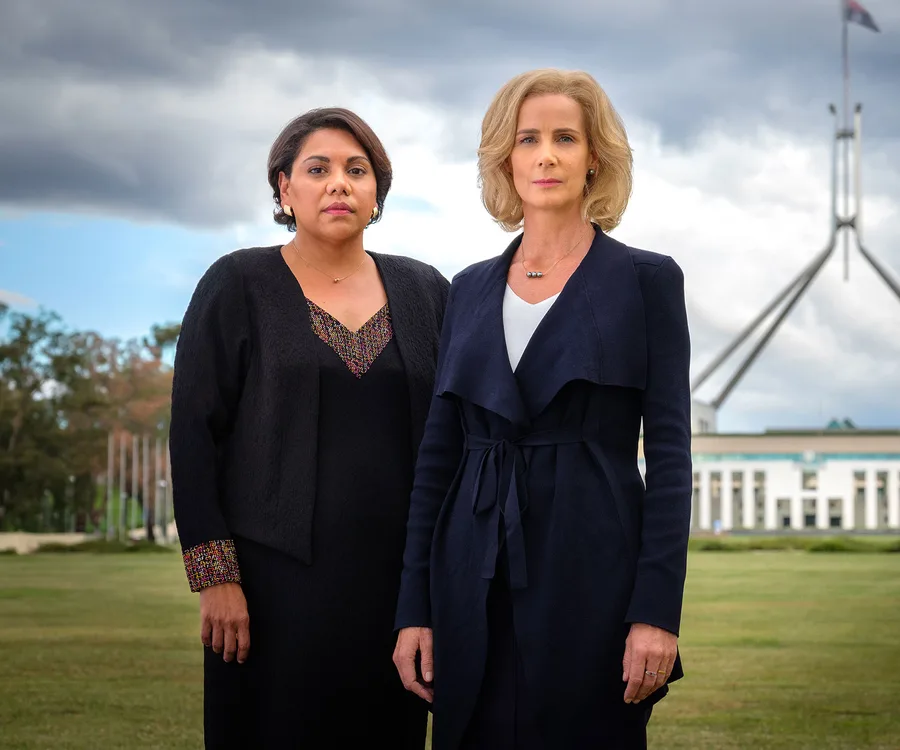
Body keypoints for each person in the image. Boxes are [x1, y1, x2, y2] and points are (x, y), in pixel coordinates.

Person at [393, 69, 692, 749]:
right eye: (528, 139)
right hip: (468, 574)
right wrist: (415, 608)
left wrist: (656, 613)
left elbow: (672, 458)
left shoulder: (648, 281)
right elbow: (436, 457)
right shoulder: (467, 288)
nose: (546, 155)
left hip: (594, 571)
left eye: (565, 137)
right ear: (505, 157)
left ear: (596, 157)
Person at [169, 107, 448, 749]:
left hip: (396, 592)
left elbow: (454, 436)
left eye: (358, 170)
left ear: (377, 192)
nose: (339, 184)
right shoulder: (239, 282)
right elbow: (192, 434)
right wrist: (215, 578)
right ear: (283, 187)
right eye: (317, 169)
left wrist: (432, 595)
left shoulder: (426, 291)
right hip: (269, 590)